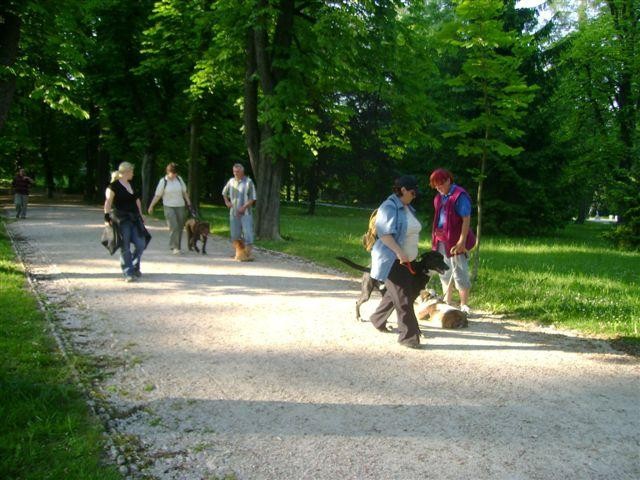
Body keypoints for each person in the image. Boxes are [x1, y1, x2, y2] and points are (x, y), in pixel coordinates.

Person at [368, 175, 422, 349]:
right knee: (404, 298)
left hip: (406, 260)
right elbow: (384, 234)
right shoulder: (389, 207)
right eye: (412, 192)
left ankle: (377, 319)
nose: (414, 196)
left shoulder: (407, 208)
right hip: (392, 260)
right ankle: (409, 337)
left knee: (395, 295)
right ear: (404, 190)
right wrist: (400, 252)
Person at [429, 168, 475, 314]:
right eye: (436, 186)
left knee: (460, 271)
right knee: (444, 270)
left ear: (448, 180)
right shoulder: (439, 197)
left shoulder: (459, 196)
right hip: (441, 239)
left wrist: (461, 241)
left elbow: (466, 219)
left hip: (456, 241)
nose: (438, 188)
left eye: (440, 185)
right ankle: (447, 302)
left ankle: (464, 305)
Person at [104, 162, 149, 282]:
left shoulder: (131, 185)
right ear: (126, 172)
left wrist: (140, 215)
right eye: (132, 172)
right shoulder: (113, 186)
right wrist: (106, 218)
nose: (133, 174)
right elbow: (108, 202)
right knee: (125, 246)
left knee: (140, 244)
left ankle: (134, 265)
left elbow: (137, 201)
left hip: (134, 218)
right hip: (121, 219)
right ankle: (128, 272)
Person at [148, 163, 192, 254]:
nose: (175, 175)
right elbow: (157, 195)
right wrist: (151, 206)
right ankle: (174, 247)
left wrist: (189, 202)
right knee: (174, 226)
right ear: (168, 172)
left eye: (176, 173)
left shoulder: (179, 180)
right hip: (168, 206)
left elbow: (184, 192)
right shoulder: (163, 181)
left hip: (180, 206)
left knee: (179, 227)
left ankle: (177, 246)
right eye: (173, 173)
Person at [222, 163, 257, 259]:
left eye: (237, 171)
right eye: (234, 171)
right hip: (233, 213)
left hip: (246, 214)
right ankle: (239, 253)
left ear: (242, 171)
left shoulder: (248, 182)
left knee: (248, 234)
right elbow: (224, 193)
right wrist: (227, 202)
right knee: (235, 235)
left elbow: (253, 198)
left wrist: (244, 207)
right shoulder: (231, 181)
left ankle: (247, 254)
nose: (235, 173)